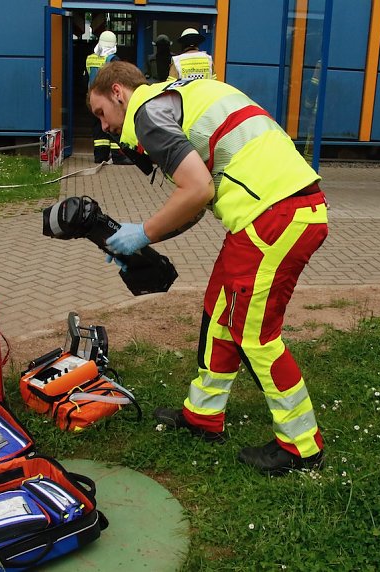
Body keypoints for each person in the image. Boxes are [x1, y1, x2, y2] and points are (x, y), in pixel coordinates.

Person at [88, 61, 328, 475]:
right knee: (220, 312)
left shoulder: (147, 113)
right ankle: (203, 414)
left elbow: (197, 189)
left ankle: (301, 446)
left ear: (118, 93)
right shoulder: (172, 102)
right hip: (274, 211)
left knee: (254, 335)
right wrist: (145, 240)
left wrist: (142, 233)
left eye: (100, 114)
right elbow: (198, 198)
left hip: (274, 215)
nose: (103, 126)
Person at [84, 31, 130, 165]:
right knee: (114, 126)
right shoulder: (112, 60)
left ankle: (100, 156)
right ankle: (118, 156)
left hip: (93, 98)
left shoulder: (90, 58)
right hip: (109, 100)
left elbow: (87, 77)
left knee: (98, 127)